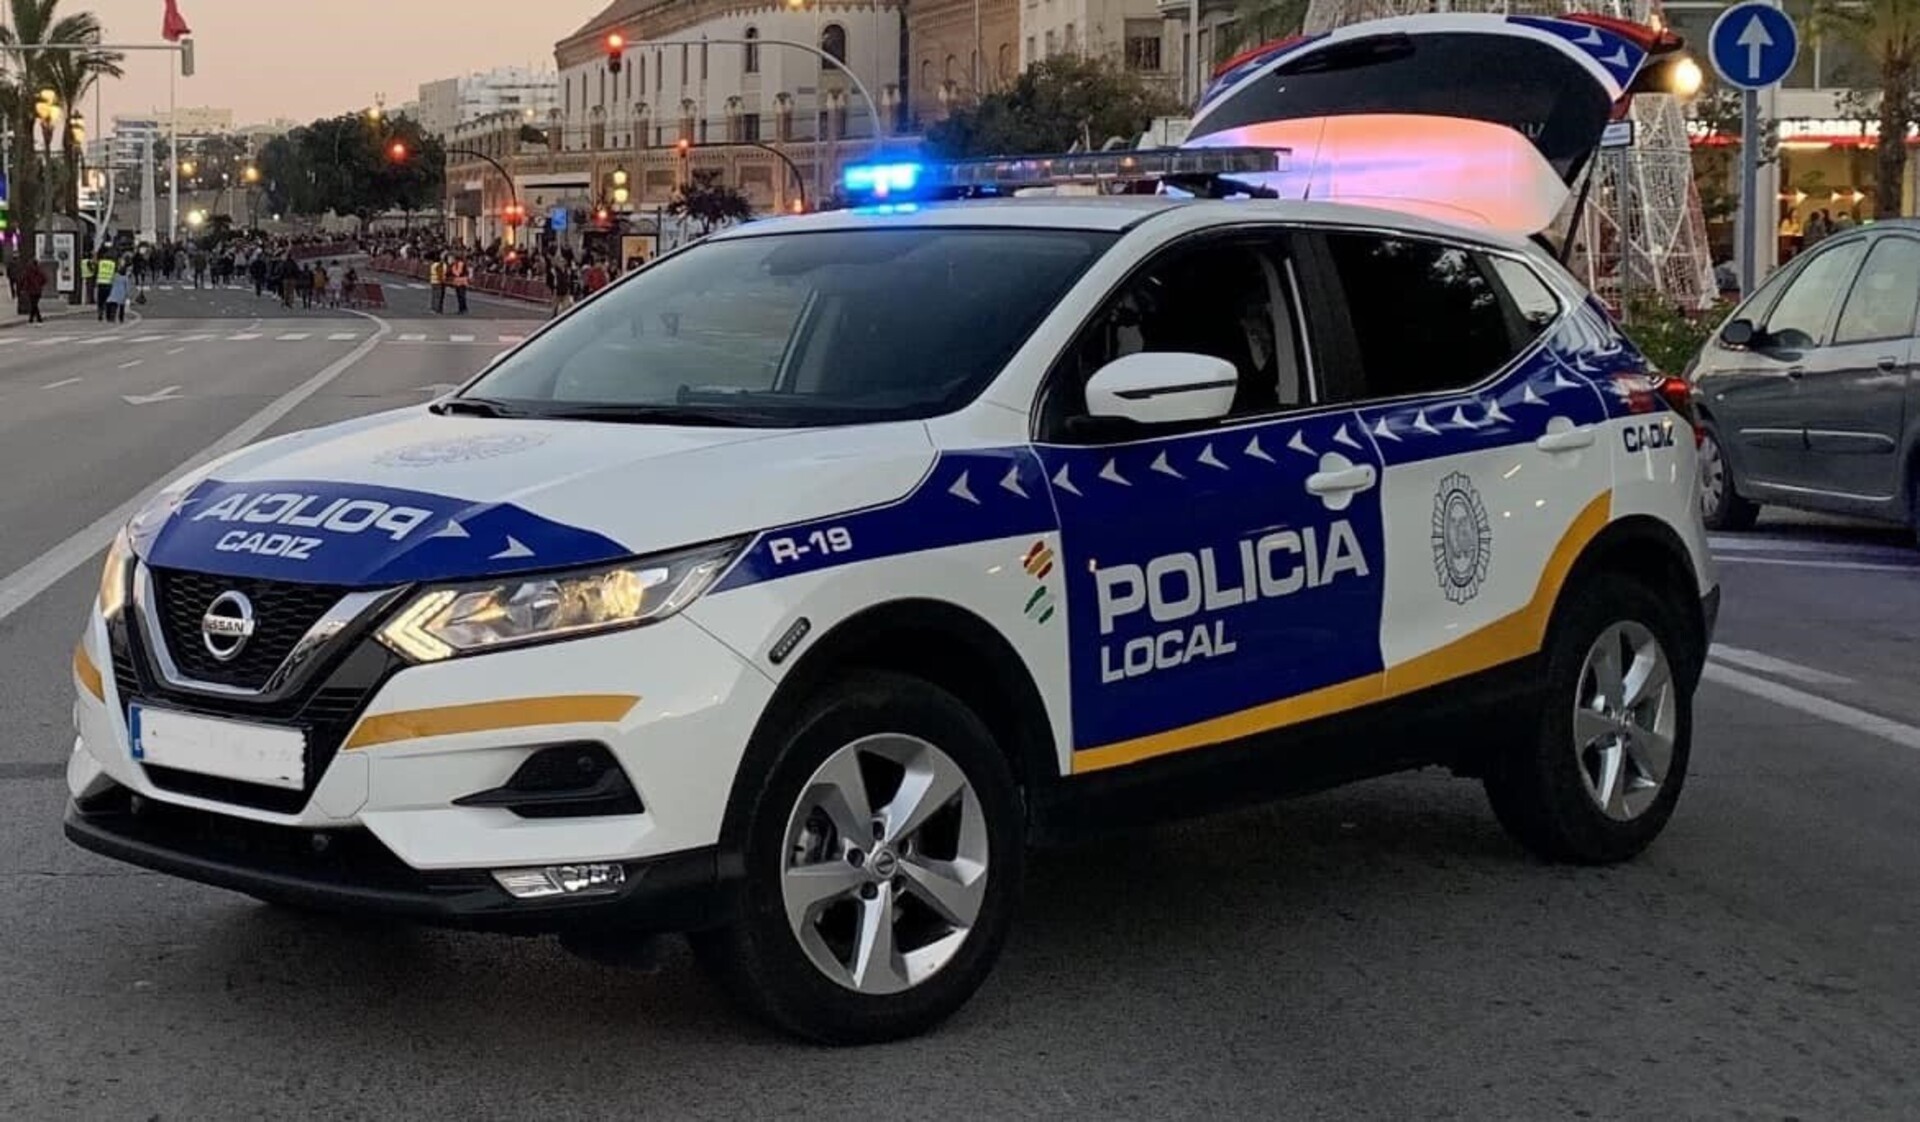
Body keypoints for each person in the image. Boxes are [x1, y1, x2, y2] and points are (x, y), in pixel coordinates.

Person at [16, 258, 46, 323]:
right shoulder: (40, 271)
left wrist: (24, 288)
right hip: (38, 290)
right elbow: (44, 279)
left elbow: (26, 281)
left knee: (33, 304)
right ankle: (35, 318)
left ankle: (35, 318)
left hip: (31, 290)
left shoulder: (29, 272)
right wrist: (40, 285)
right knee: (34, 304)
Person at [94, 254, 117, 321]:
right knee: (109, 300)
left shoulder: (100, 263)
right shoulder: (113, 264)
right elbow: (116, 274)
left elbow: (96, 272)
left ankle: (100, 312)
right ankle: (109, 316)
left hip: (100, 283)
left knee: (100, 300)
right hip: (109, 284)